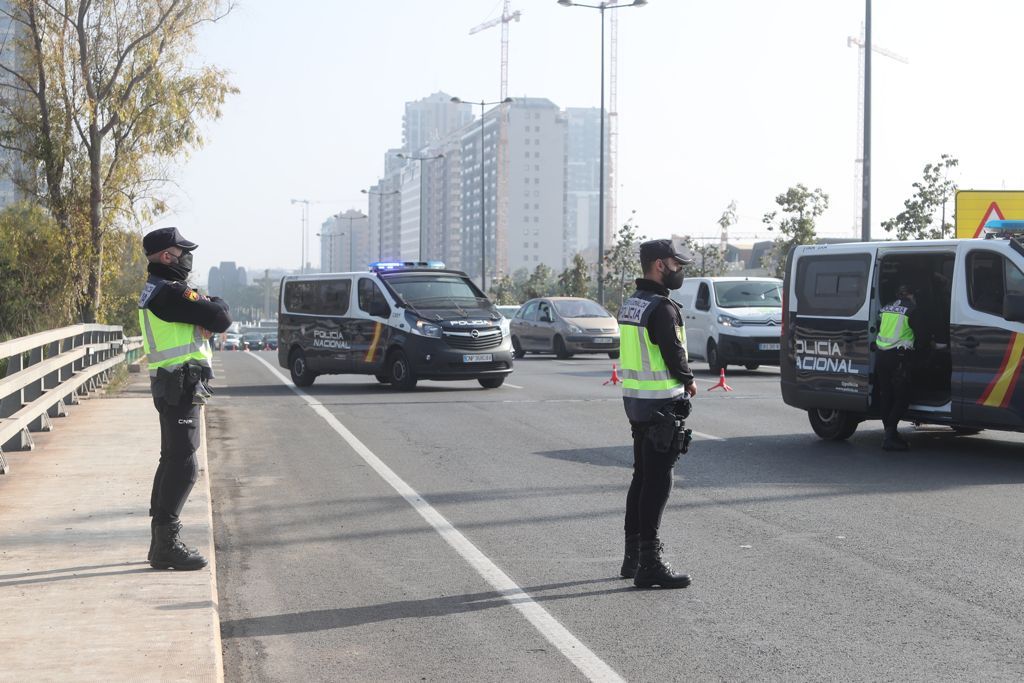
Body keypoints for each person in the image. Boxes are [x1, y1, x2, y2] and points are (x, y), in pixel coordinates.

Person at [139, 227, 232, 570]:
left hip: (174, 383)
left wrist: (209, 307)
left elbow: (212, 309)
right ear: (167, 256)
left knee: (172, 459)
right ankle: (167, 543)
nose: (187, 259)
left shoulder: (161, 291)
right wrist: (210, 308)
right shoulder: (167, 293)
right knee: (184, 464)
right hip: (179, 384)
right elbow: (221, 316)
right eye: (183, 252)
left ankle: (160, 543)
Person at [617, 239, 698, 589]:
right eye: (676, 264)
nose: (680, 270)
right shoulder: (662, 308)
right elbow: (672, 351)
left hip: (636, 401)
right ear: (659, 265)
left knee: (641, 477)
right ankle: (649, 562)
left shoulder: (632, 304)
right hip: (661, 402)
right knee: (657, 481)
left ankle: (632, 557)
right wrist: (689, 381)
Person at [875, 284, 920, 452]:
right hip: (898, 358)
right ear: (911, 294)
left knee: (886, 395)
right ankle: (889, 436)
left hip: (881, 355)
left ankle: (890, 433)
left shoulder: (886, 307)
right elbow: (920, 335)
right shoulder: (911, 309)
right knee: (902, 397)